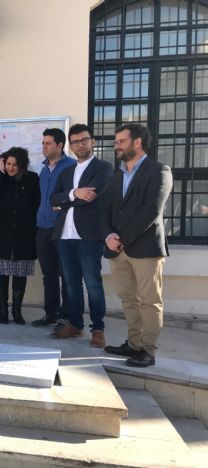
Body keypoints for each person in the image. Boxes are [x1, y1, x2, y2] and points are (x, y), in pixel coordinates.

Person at [102, 124, 173, 367]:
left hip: (145, 249)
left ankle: (148, 350)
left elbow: (151, 211)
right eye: (116, 141)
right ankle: (133, 344)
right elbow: (106, 209)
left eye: (122, 141)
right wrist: (108, 235)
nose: (117, 146)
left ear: (138, 142)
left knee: (150, 301)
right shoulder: (118, 174)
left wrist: (122, 239)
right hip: (117, 249)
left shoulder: (159, 171)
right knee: (127, 299)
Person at [50, 124, 113, 348]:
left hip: (89, 236)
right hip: (64, 236)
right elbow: (53, 199)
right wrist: (74, 193)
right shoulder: (66, 171)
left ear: (92, 141)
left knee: (93, 284)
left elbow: (93, 196)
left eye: (84, 140)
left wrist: (65, 201)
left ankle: (98, 329)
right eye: (75, 142)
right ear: (71, 145)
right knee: (71, 284)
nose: (80, 145)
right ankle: (75, 325)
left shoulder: (103, 168)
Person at [0, 147, 40, 325]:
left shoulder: (32, 179)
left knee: (20, 274)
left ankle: (17, 310)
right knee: (1, 274)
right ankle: (3, 311)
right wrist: (1, 173)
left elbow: (36, 203)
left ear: (22, 165)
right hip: (0, 235)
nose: (11, 167)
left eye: (15, 164)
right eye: (8, 164)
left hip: (23, 234)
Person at [32, 129, 76, 328]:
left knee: (67, 274)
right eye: (43, 143)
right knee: (48, 274)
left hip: (62, 229)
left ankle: (66, 316)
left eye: (48, 143)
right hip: (42, 229)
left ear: (60, 145)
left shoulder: (71, 167)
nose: (44, 147)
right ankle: (50, 313)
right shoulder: (43, 169)